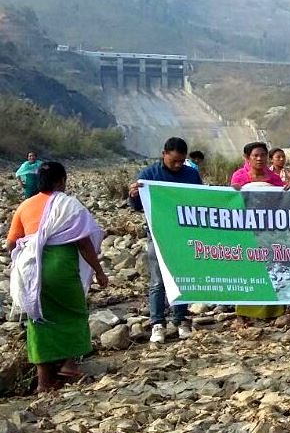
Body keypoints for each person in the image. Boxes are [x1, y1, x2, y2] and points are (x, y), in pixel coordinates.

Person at [8, 162, 106, 393]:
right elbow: (84, 243)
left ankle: (44, 382)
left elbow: (11, 243)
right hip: (60, 267)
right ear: (61, 181)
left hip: (32, 270)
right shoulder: (69, 205)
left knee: (39, 320)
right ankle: (70, 364)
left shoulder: (25, 205)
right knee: (74, 313)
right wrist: (99, 272)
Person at [129, 138, 204, 343]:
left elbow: (201, 201)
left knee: (181, 276)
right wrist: (134, 195)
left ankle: (180, 319)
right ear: (164, 154)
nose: (178, 165)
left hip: (183, 234)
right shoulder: (149, 175)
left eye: (181, 161)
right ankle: (157, 324)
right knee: (158, 281)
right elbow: (137, 206)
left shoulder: (191, 175)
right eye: (174, 161)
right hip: (157, 234)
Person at [227, 143, 287, 321]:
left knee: (271, 268)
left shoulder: (275, 178)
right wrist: (235, 192)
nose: (260, 159)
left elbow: (281, 202)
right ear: (247, 158)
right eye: (255, 156)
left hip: (269, 230)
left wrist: (288, 192)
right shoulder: (239, 176)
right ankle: (245, 312)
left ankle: (273, 311)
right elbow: (233, 201)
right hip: (247, 230)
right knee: (249, 268)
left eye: (263, 155)